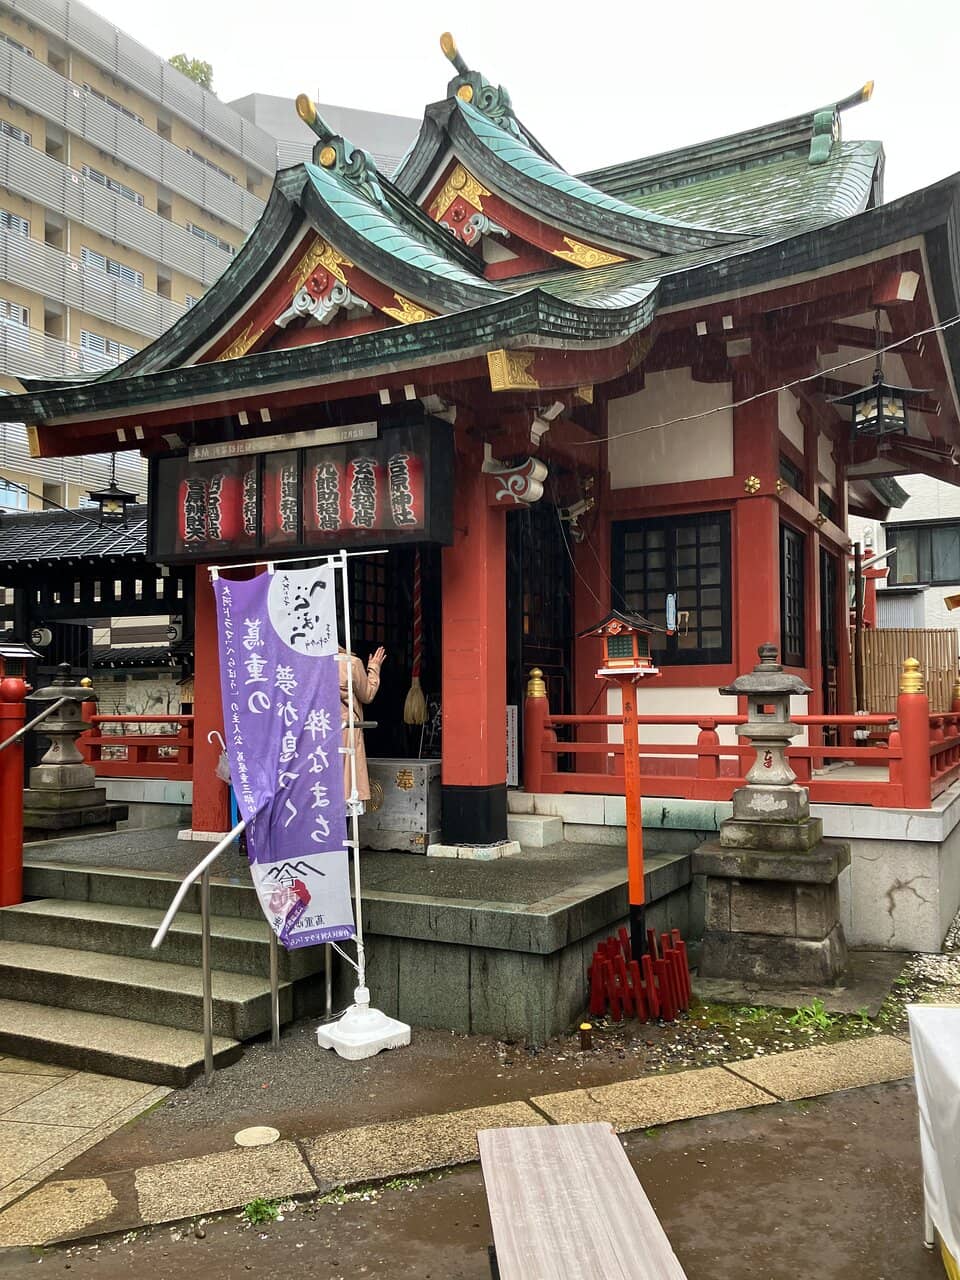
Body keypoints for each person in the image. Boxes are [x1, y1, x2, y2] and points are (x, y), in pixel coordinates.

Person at [339, 644, 386, 805]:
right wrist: (374, 668)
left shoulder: (307, 663)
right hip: (345, 729)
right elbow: (367, 694)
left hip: (316, 728)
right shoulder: (350, 662)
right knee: (347, 785)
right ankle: (343, 829)